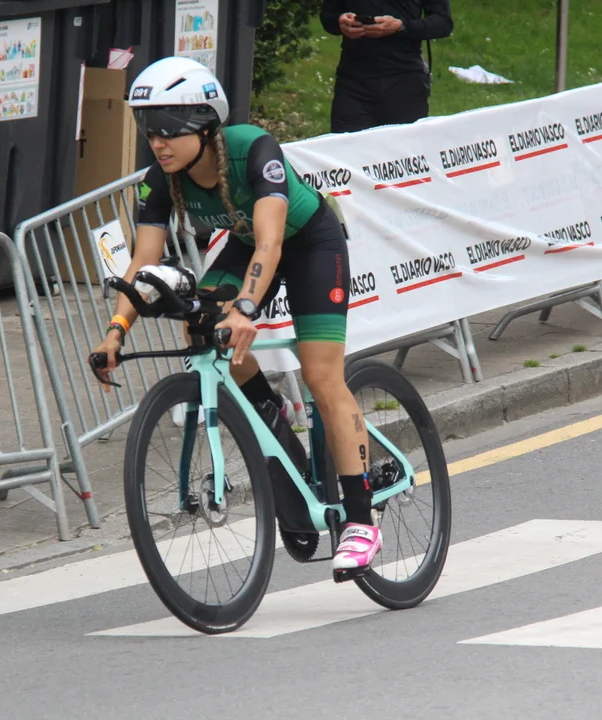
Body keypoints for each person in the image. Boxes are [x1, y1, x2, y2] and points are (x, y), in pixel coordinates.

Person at [91, 56, 381, 575]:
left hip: (309, 243)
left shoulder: (253, 149)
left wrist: (247, 307)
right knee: (200, 320)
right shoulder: (160, 179)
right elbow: (142, 263)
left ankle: (361, 520)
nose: (157, 143)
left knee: (320, 376)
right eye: (149, 130)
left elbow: (271, 240)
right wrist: (116, 330)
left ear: (205, 125)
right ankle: (271, 410)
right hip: (248, 246)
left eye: (168, 130)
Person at [320, 1, 454, 133]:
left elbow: (443, 23)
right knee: (348, 145)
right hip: (354, 82)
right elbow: (328, 16)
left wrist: (401, 26)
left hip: (404, 79)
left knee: (403, 145)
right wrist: (340, 21)